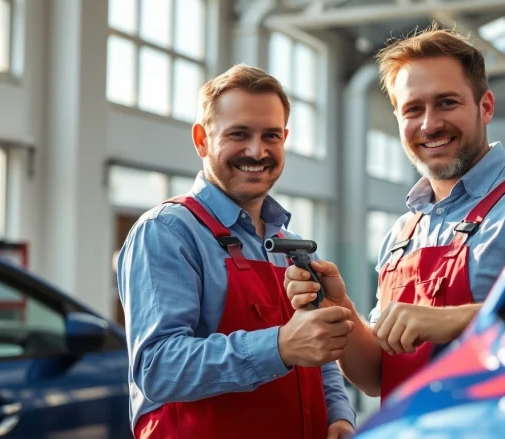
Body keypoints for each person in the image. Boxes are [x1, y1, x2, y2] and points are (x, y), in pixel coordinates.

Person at [284, 24, 505, 401]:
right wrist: (342, 310)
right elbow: (377, 378)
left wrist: (454, 320)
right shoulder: (403, 232)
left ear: (485, 106)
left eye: (447, 102)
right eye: (413, 110)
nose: (430, 124)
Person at [117, 64, 356, 439]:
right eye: (239, 134)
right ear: (201, 140)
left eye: (271, 136)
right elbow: (157, 368)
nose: (257, 150)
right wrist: (278, 347)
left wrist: (338, 415)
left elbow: (316, 343)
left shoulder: (288, 243)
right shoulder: (167, 232)